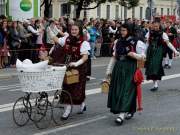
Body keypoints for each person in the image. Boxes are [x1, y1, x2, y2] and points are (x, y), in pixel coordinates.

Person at [106, 23, 146, 125]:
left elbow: (143, 57)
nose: (122, 32)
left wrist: (133, 55)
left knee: (126, 90)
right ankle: (130, 110)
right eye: (121, 30)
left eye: (124, 30)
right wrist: (108, 71)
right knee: (119, 90)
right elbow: (114, 57)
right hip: (119, 68)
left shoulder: (136, 42)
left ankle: (121, 115)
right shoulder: (118, 41)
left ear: (129, 31)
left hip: (130, 68)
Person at [49, 22, 90, 120]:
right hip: (68, 67)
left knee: (78, 89)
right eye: (72, 30)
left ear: (79, 31)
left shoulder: (84, 42)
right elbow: (57, 40)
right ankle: (68, 109)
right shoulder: (66, 39)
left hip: (79, 68)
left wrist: (76, 63)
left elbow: (85, 57)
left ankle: (81, 104)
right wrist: (49, 31)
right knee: (67, 88)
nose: (74, 31)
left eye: (76, 30)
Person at [145, 21, 180, 92]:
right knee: (151, 67)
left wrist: (175, 51)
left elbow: (168, 43)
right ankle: (155, 84)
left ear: (159, 26)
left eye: (157, 26)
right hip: (150, 51)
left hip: (158, 51)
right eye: (154, 26)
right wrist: (143, 53)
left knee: (155, 66)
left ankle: (156, 84)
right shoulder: (149, 33)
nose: (155, 27)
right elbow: (147, 44)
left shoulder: (163, 34)